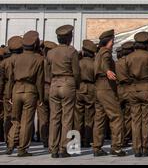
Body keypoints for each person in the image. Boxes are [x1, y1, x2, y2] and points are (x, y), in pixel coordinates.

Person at [6, 31, 44, 157]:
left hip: (16, 89)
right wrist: (41, 97)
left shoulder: (15, 58)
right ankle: (22, 149)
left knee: (15, 120)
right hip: (30, 90)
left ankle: (10, 145)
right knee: (27, 121)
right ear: (35, 45)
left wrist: (9, 94)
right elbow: (39, 80)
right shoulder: (39, 59)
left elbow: (11, 78)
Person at [46, 25, 81, 158]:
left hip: (54, 84)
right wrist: (76, 85)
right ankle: (63, 148)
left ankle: (53, 148)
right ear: (69, 38)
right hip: (68, 83)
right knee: (67, 118)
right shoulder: (72, 51)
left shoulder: (50, 52)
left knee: (54, 117)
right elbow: (76, 72)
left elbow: (47, 71)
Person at [92, 29, 126, 157]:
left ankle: (97, 147)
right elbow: (106, 62)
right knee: (116, 116)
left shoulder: (98, 53)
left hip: (98, 88)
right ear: (108, 41)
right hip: (106, 88)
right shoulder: (105, 52)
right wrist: (107, 71)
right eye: (112, 41)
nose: (113, 43)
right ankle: (116, 147)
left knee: (99, 118)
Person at [126, 32, 148, 157]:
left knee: (135, 120)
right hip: (147, 88)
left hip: (133, 89)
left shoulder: (129, 57)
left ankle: (136, 148)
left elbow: (127, 75)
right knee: (147, 120)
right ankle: (145, 147)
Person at [74, 40, 97, 148]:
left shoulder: (78, 62)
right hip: (91, 89)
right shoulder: (95, 63)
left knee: (78, 116)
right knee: (90, 116)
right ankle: (87, 140)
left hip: (79, 88)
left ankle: (77, 140)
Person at [115, 42, 134, 147]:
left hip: (118, 90)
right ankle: (126, 137)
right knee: (128, 116)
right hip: (129, 89)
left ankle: (119, 138)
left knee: (119, 116)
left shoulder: (116, 63)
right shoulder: (131, 61)